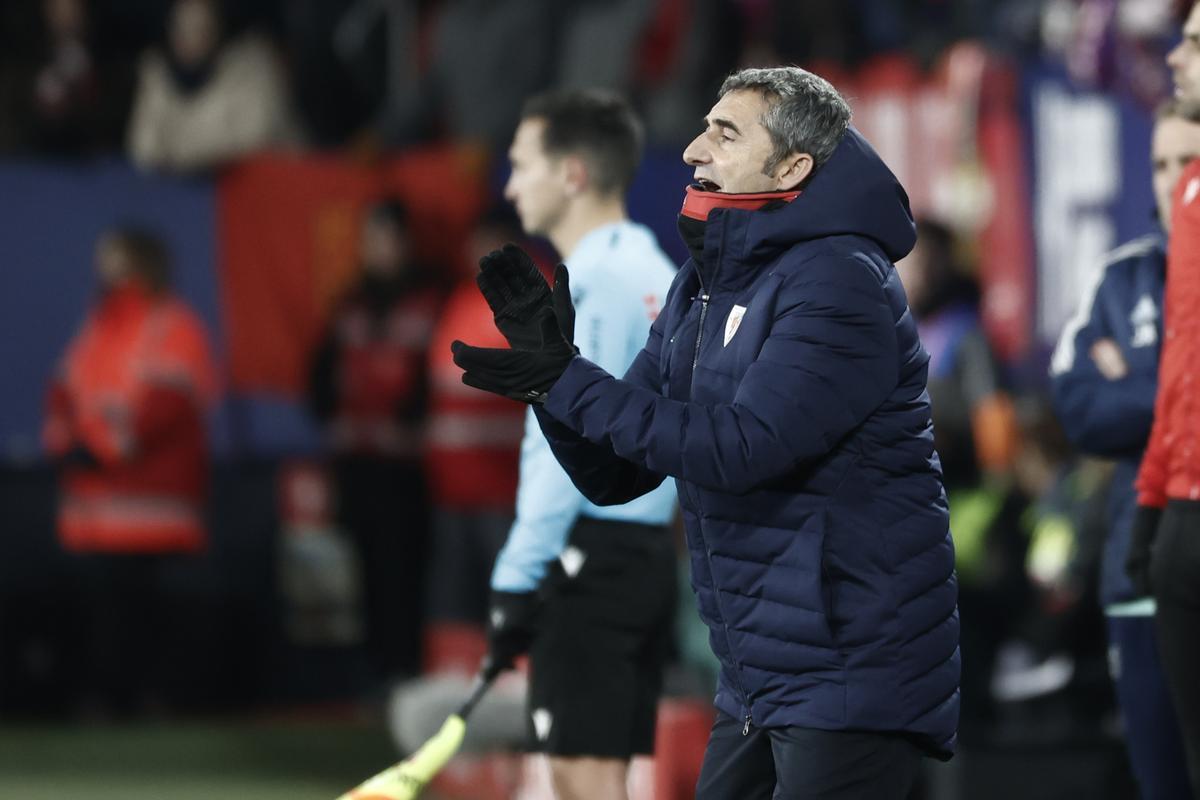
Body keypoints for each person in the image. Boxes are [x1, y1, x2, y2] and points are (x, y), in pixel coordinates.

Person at [452, 66, 959, 799]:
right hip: (759, 672)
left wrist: (569, 381)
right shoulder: (708, 281)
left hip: (851, 666)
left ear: (792, 165)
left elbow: (738, 448)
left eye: (725, 133)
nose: (694, 149)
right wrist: (548, 383)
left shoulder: (841, 280)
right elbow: (616, 474)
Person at [479, 89, 679, 800]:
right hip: (643, 555)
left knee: (582, 782)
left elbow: (565, 448)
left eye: (521, 164)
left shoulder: (588, 283)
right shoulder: (657, 270)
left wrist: (516, 575)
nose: (509, 186)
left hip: (588, 558)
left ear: (572, 174)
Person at [1050, 101, 1197, 800]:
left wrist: (1135, 380)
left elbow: (1119, 403)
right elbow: (1077, 407)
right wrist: (1178, 387)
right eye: (1160, 164)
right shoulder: (1121, 276)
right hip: (1137, 577)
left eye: (1188, 161)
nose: (1172, 180)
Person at [43, 226, 218, 714]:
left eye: (116, 259)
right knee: (104, 609)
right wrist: (67, 445)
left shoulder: (172, 325)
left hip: (151, 501)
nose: (106, 270)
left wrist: (103, 449)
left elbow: (165, 406)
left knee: (149, 607)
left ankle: (155, 699)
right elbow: (63, 392)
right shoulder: (98, 326)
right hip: (97, 505)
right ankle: (110, 696)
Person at [308, 198, 441, 682]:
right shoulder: (350, 303)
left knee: (406, 568)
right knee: (364, 568)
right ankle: (376, 671)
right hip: (356, 460)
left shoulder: (429, 299)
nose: (377, 249)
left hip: (408, 466)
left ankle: (408, 668)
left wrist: (413, 414)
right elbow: (321, 371)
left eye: (386, 238)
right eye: (370, 239)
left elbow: (442, 372)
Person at [1127, 5, 1200, 791]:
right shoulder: (1190, 201)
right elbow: (1182, 370)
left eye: (1196, 43)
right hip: (1183, 516)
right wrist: (1153, 501)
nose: (1176, 55)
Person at [421, 205, 530, 674]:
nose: (473, 251)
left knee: (509, 585)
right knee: (453, 592)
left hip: (504, 486)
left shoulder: (530, 298)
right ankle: (453, 680)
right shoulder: (462, 299)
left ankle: (518, 676)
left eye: (484, 240)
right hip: (453, 487)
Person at [126, 0, 299, 173]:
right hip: (186, 190)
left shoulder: (252, 68)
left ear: (216, 30)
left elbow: (254, 141)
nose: (190, 41)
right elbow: (143, 149)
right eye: (182, 31)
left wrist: (178, 152)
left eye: (200, 30)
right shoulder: (155, 73)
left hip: (266, 183)